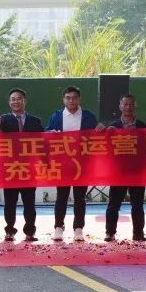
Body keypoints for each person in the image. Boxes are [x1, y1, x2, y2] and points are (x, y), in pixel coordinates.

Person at [46, 86, 98, 241]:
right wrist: (50, 134)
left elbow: (97, 138)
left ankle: (78, 228)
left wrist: (101, 130)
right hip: (62, 164)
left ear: (79, 99)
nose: (71, 101)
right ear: (63, 100)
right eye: (68, 98)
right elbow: (45, 135)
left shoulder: (89, 117)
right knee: (61, 197)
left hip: (82, 164)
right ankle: (58, 226)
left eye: (74, 97)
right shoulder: (56, 116)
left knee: (80, 198)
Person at [0, 88, 43, 242]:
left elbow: (43, 141)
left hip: (29, 169)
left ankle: (30, 231)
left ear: (24, 101)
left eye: (19, 98)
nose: (16, 101)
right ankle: (9, 230)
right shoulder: (3, 120)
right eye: (13, 99)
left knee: (29, 203)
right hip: (10, 169)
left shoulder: (35, 121)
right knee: (10, 203)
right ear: (9, 103)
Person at [98, 95, 146, 242]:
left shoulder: (143, 126)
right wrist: (104, 133)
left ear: (135, 106)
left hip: (137, 171)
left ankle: (138, 233)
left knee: (138, 204)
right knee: (114, 204)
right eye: (125, 104)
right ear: (120, 106)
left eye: (131, 104)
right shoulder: (112, 126)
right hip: (118, 172)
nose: (128, 107)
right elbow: (105, 148)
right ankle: (110, 233)